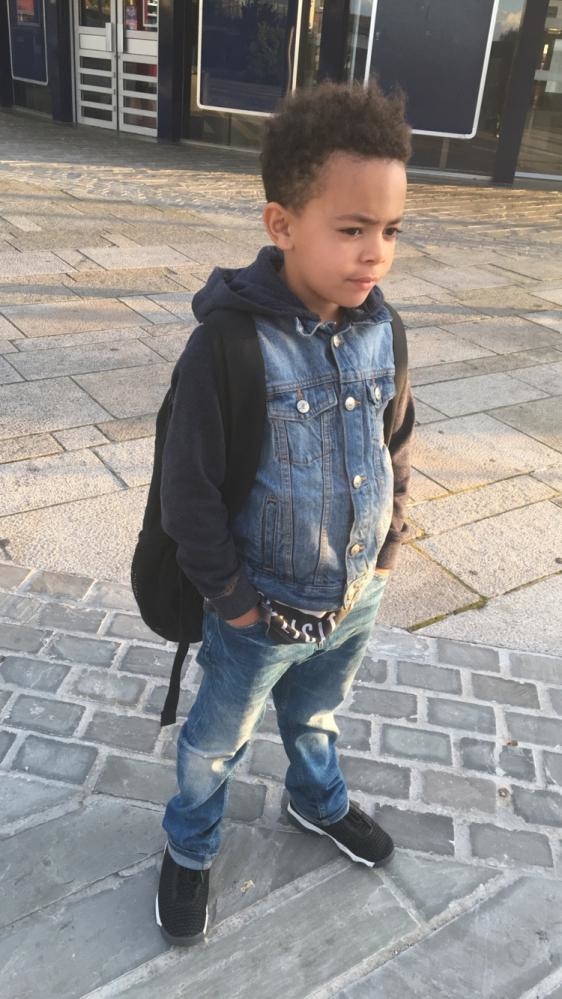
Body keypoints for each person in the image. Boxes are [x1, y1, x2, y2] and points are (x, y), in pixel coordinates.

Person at [155, 80, 415, 946]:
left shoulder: (384, 331)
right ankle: (191, 844)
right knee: (216, 740)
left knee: (318, 713)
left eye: (391, 230)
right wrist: (233, 602)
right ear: (282, 224)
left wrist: (385, 556)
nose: (375, 253)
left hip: (353, 597)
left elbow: (397, 442)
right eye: (352, 228)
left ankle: (316, 797)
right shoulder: (228, 345)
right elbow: (188, 491)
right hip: (257, 609)